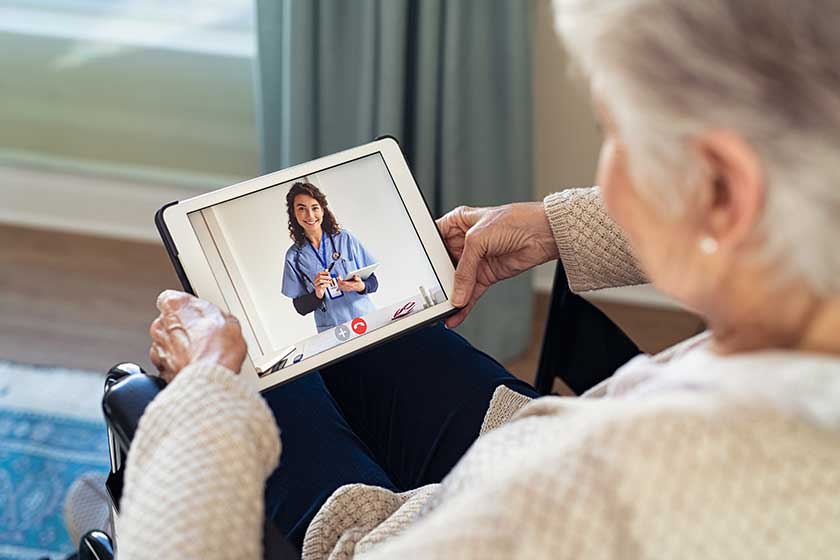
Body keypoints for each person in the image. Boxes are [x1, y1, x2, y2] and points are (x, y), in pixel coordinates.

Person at [118, 0, 840, 558]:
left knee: (246, 379)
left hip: (408, 530)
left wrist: (204, 401)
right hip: (533, 439)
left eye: (616, 134)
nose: (609, 176)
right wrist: (556, 227)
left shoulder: (618, 485)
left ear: (721, 190)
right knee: (369, 339)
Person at [281, 181, 378, 333]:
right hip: (333, 329)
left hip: (364, 318)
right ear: (293, 213)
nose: (310, 215)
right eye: (302, 209)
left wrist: (361, 286)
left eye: (315, 208)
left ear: (322, 210)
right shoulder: (294, 257)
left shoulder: (345, 238)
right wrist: (317, 294)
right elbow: (300, 307)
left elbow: (373, 281)